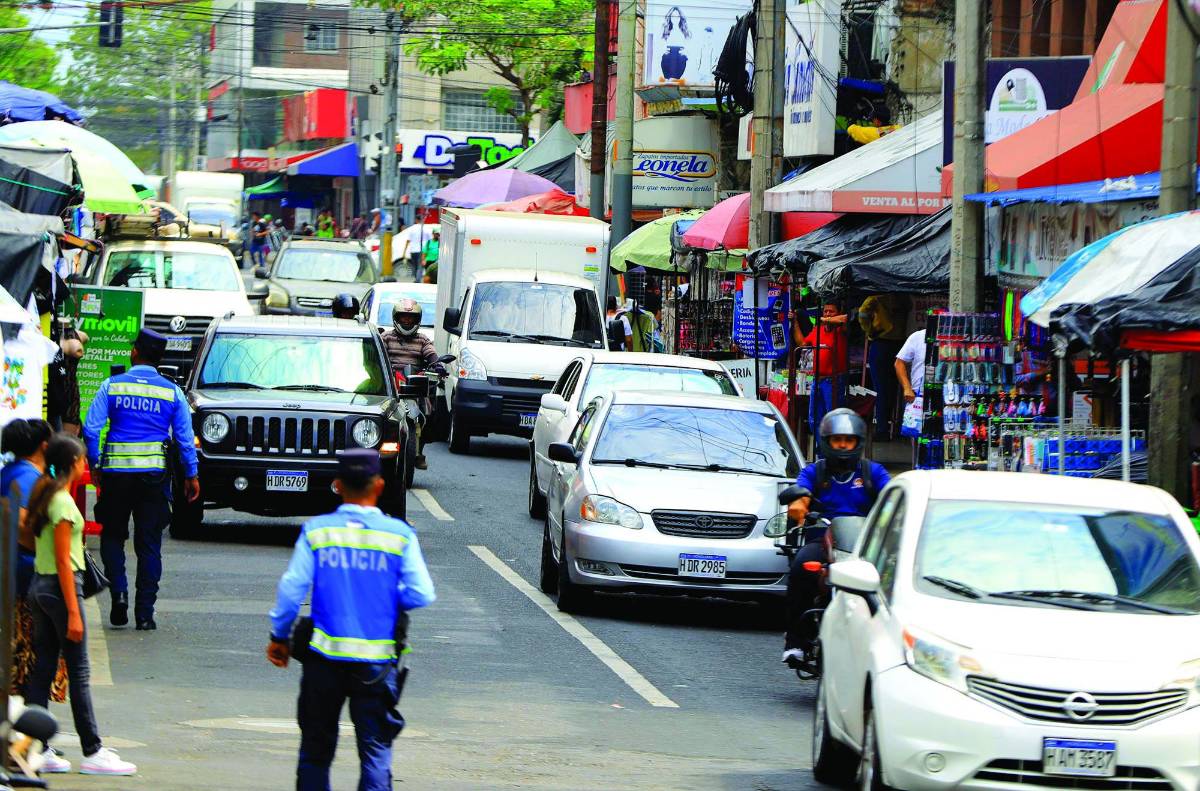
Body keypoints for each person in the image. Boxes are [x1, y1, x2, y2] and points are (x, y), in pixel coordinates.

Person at [267, 448, 435, 791]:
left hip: (324, 662)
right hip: (375, 666)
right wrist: (384, 599)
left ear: (337, 485)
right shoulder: (398, 535)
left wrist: (279, 637)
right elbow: (421, 593)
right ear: (379, 486)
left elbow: (291, 591)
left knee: (315, 751)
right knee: (375, 752)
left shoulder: (318, 532)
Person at [26, 434, 137, 776]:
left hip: (40, 586)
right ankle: (92, 750)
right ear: (72, 463)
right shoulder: (61, 502)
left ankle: (35, 746)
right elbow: (64, 561)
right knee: (79, 671)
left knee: (43, 667)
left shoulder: (44, 495)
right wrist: (74, 611)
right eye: (82, 459)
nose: (85, 464)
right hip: (61, 588)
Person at [83, 329, 200, 631]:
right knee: (149, 545)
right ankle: (145, 614)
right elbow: (186, 441)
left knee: (112, 536)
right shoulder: (172, 392)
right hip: (153, 479)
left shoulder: (112, 386)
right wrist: (191, 474)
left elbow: (91, 430)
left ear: (135, 352)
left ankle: (119, 594)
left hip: (116, 477)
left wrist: (95, 465)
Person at [782, 409, 889, 665]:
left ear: (858, 442)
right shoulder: (815, 472)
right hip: (823, 539)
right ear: (826, 442)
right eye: (837, 440)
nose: (842, 445)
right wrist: (799, 502)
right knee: (801, 569)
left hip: (864, 545)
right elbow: (802, 491)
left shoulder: (873, 472)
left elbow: (891, 497)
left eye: (848, 440)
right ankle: (795, 642)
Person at [380, 300, 440, 470]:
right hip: (390, 384)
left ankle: (419, 450)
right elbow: (378, 357)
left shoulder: (423, 340)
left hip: (415, 384)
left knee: (429, 412)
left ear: (417, 320)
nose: (407, 322)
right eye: (403, 318)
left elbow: (431, 355)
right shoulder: (386, 337)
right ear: (396, 318)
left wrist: (438, 365)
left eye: (410, 318)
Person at [857, 294, 910, 439]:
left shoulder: (875, 298)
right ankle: (897, 427)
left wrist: (870, 330)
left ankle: (882, 429)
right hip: (900, 344)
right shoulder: (904, 298)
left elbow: (862, 314)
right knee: (896, 389)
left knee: (880, 388)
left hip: (880, 343)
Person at [793, 303, 849, 432]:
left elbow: (846, 318)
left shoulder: (841, 330)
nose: (827, 314)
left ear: (838, 313)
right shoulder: (817, 330)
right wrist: (795, 323)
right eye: (825, 312)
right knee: (815, 420)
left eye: (831, 312)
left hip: (833, 381)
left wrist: (825, 320)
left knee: (833, 420)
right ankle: (820, 451)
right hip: (817, 380)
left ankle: (831, 451)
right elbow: (802, 343)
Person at [894, 328, 926, 406]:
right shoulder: (918, 336)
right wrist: (907, 388)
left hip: (953, 395)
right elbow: (899, 363)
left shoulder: (958, 338)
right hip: (919, 396)